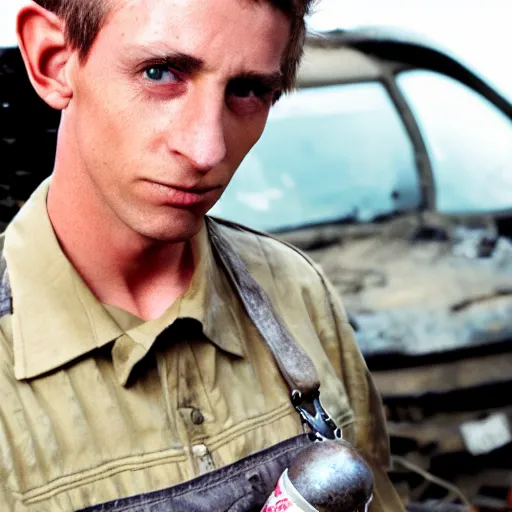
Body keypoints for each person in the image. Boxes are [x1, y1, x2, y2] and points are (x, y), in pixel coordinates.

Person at [0, 0, 405, 510]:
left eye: (248, 90)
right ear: (53, 59)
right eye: (160, 72)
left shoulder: (293, 288)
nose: (207, 149)